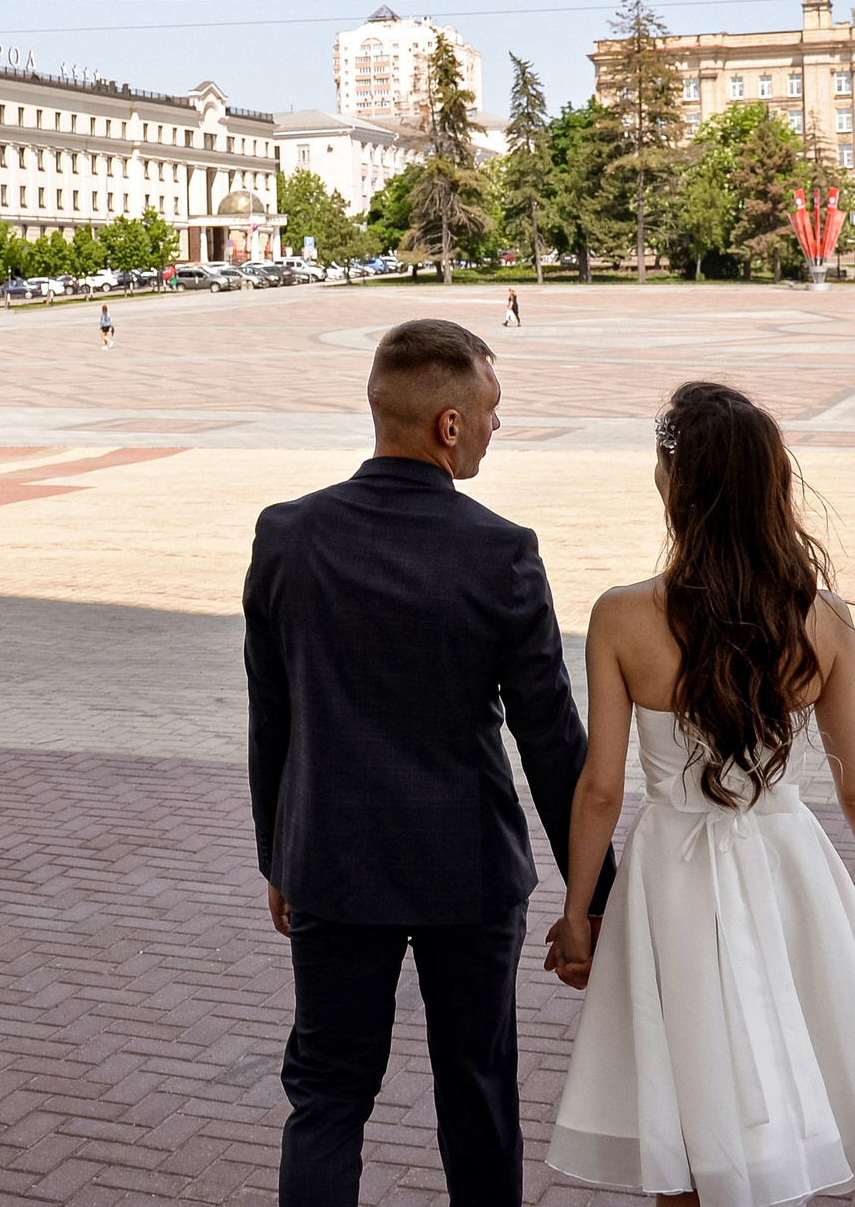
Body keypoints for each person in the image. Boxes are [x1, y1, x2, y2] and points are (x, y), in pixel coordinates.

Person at [545, 381, 855, 1205]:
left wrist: (579, 912)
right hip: (788, 867)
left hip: (671, 879)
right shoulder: (821, 619)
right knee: (792, 1076)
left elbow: (599, 789)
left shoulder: (621, 617)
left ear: (672, 485)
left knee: (681, 1097)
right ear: (774, 486)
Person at [246, 319, 614, 1207]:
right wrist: (592, 898)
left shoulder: (289, 535)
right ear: (448, 424)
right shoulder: (500, 551)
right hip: (470, 875)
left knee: (327, 1100)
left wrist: (277, 856)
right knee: (479, 1096)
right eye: (491, 408)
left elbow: (273, 715)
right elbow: (552, 738)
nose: (497, 425)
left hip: (331, 862)